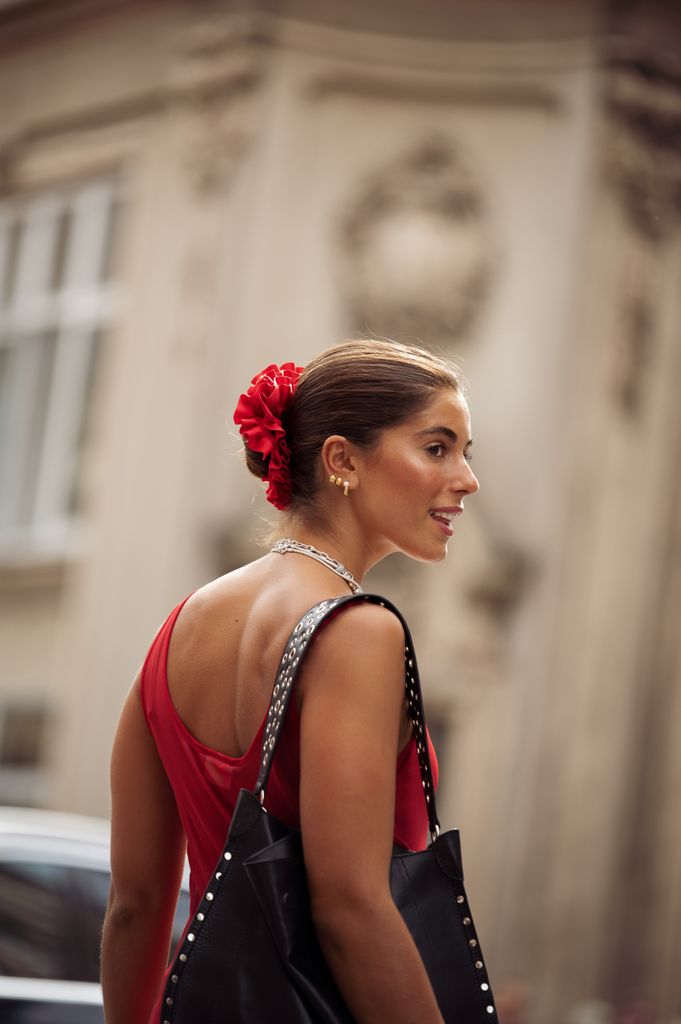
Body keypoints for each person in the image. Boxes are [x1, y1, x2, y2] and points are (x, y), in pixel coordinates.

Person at [100, 338, 480, 1024]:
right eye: (436, 448)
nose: (465, 479)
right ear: (341, 460)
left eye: (465, 453)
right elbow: (349, 907)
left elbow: (134, 906)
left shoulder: (179, 629)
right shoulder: (359, 631)